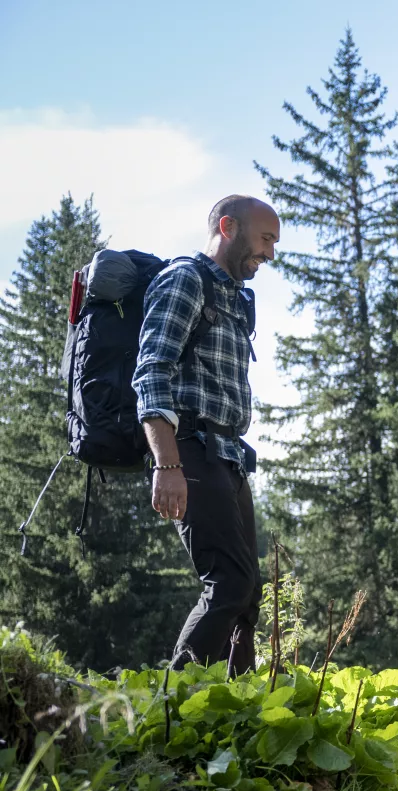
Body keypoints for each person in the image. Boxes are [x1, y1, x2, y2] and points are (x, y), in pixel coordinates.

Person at [134, 195, 278, 671]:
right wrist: (167, 464)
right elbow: (152, 372)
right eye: (265, 240)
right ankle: (172, 715)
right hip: (189, 450)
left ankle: (239, 715)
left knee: (247, 594)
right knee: (229, 583)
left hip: (228, 455)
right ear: (228, 227)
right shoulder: (184, 280)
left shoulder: (234, 298)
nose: (270, 254)